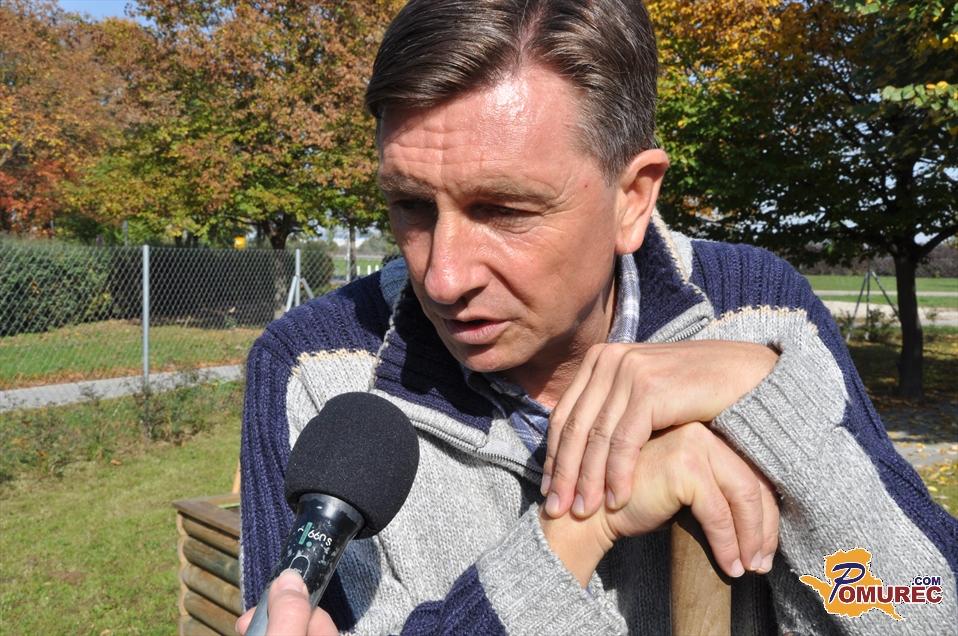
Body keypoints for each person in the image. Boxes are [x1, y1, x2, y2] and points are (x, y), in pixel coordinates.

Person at [236, 1, 957, 634]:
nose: (444, 276)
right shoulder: (312, 370)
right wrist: (576, 529)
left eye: (503, 210)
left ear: (632, 198)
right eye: (412, 206)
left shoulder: (758, 314)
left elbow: (927, 604)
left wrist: (771, 408)